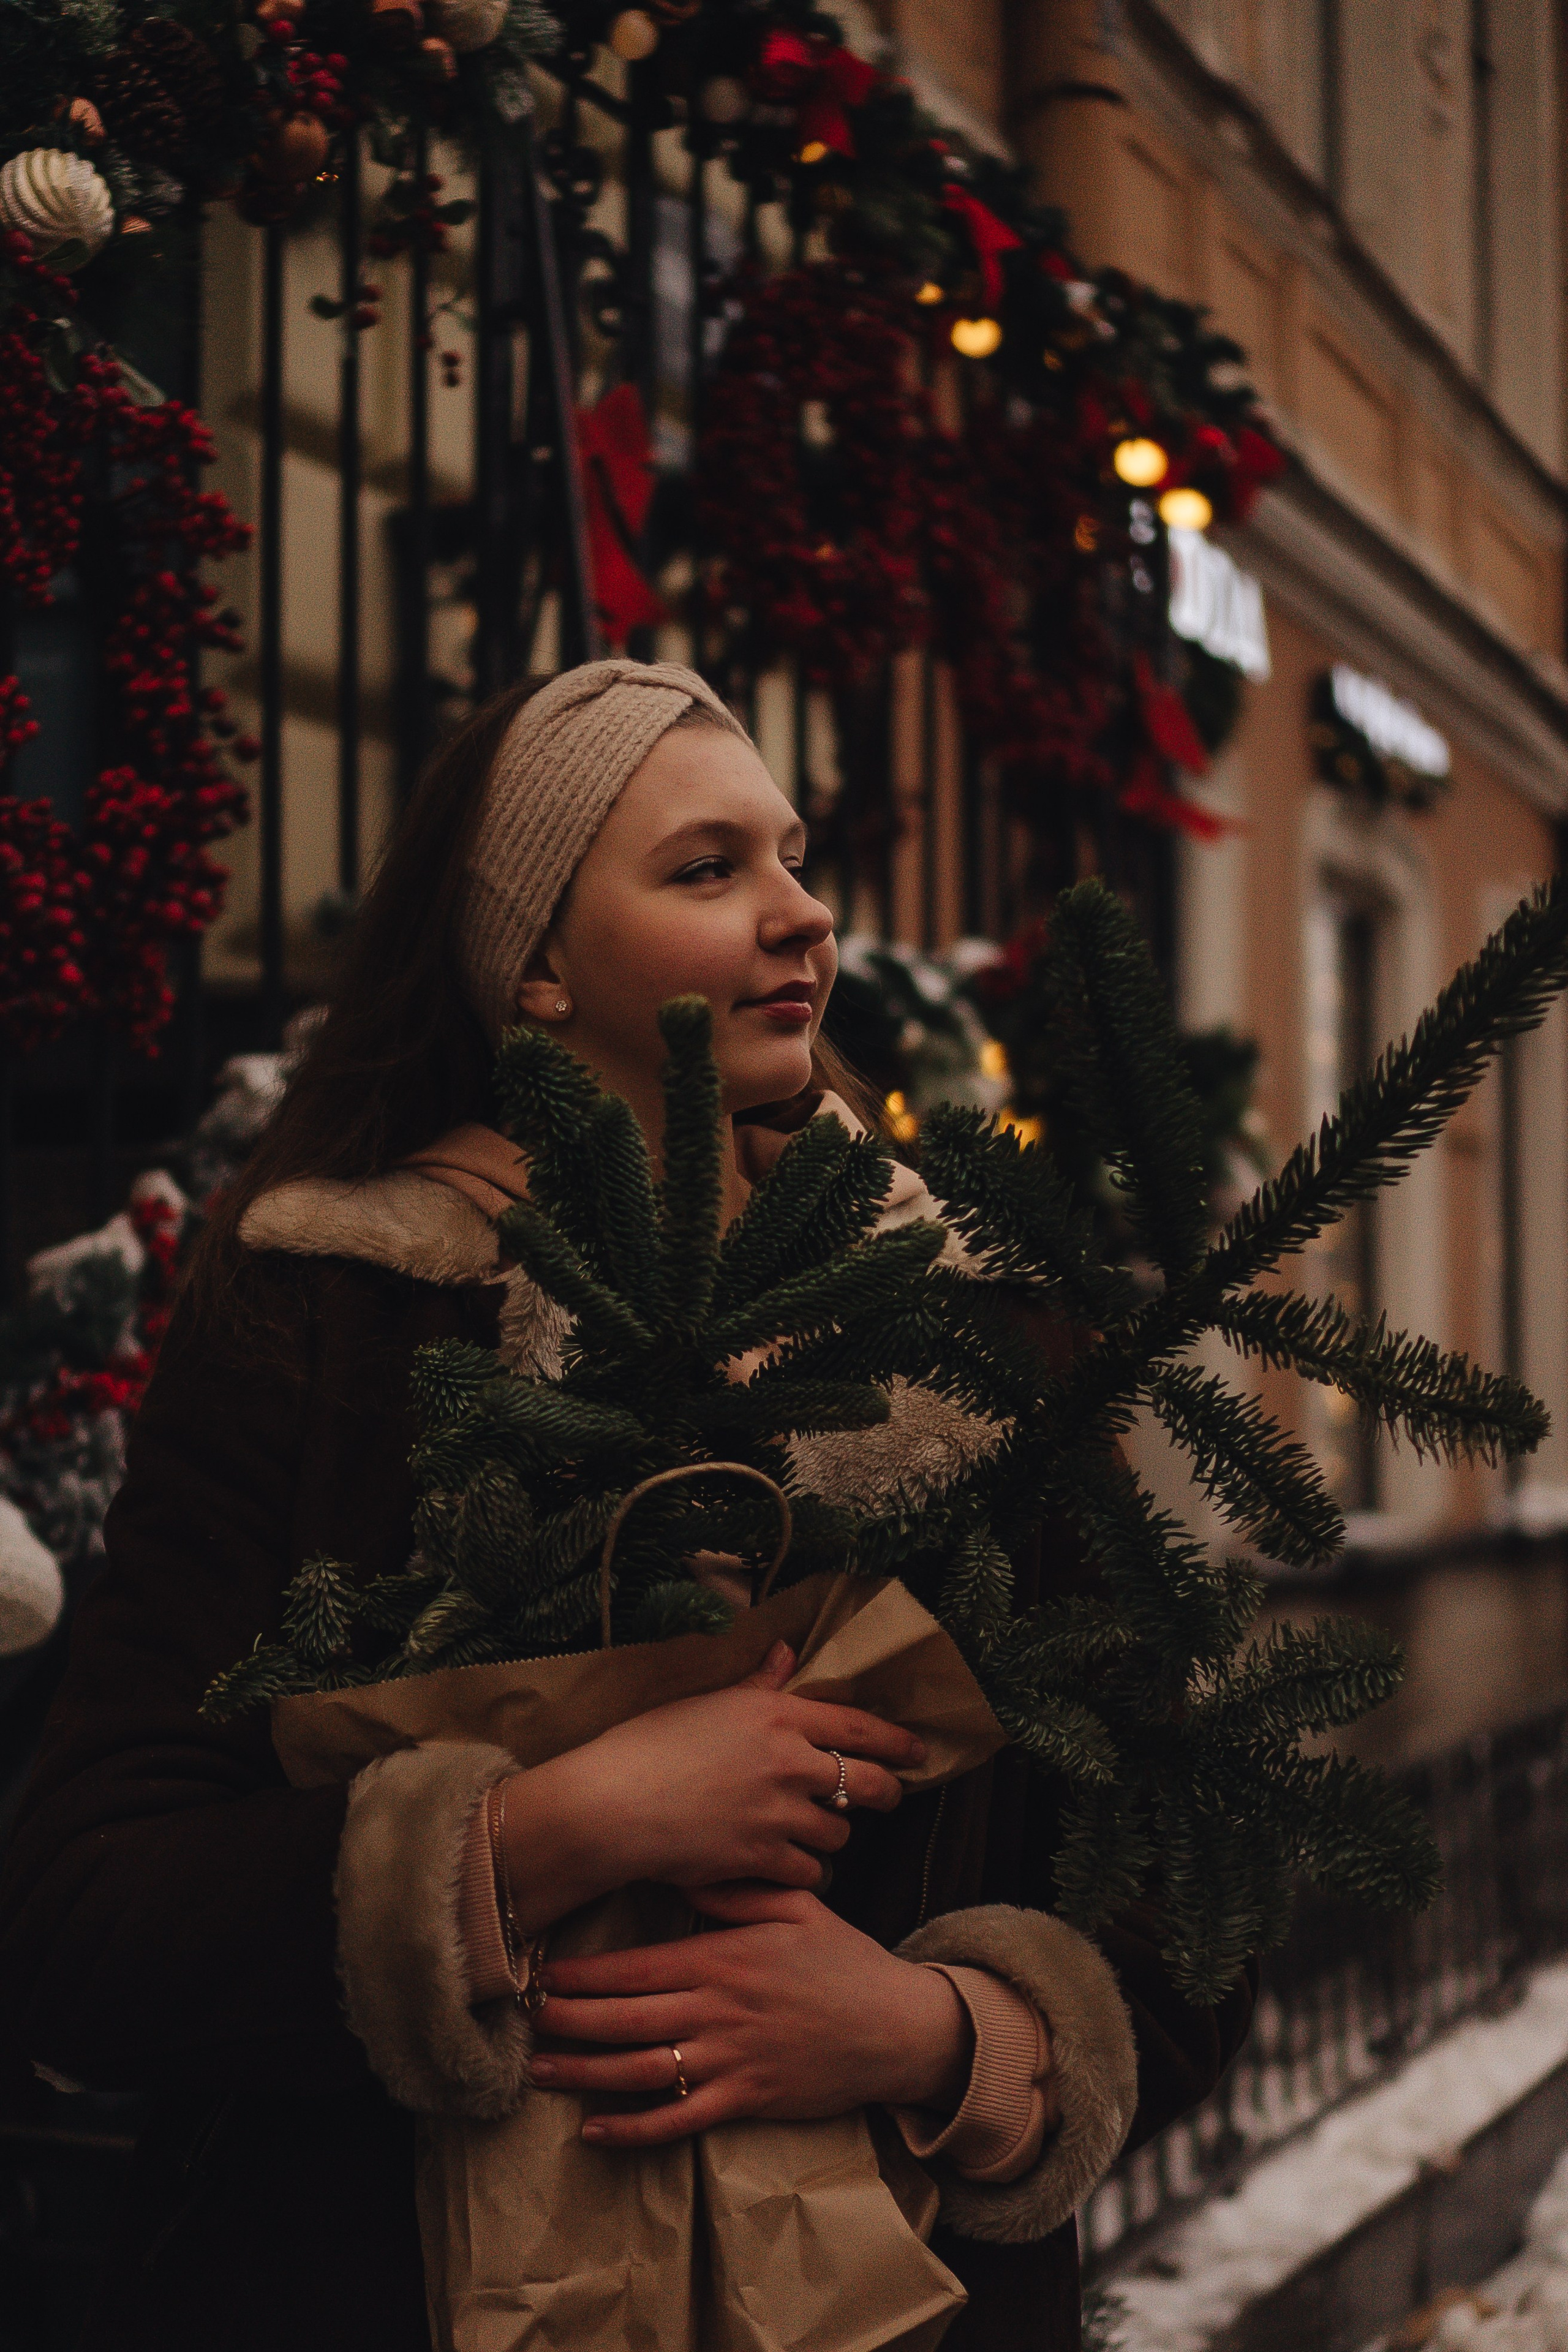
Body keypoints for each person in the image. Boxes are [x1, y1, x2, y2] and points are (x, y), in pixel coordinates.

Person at [0, 660, 1253, 2350]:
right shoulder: (335, 1312)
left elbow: (1192, 1891)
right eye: (707, 869)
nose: (801, 914)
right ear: (530, 961)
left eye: (797, 857)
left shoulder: (969, 1333)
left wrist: (941, 2032)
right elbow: (88, 1911)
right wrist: (542, 1840)